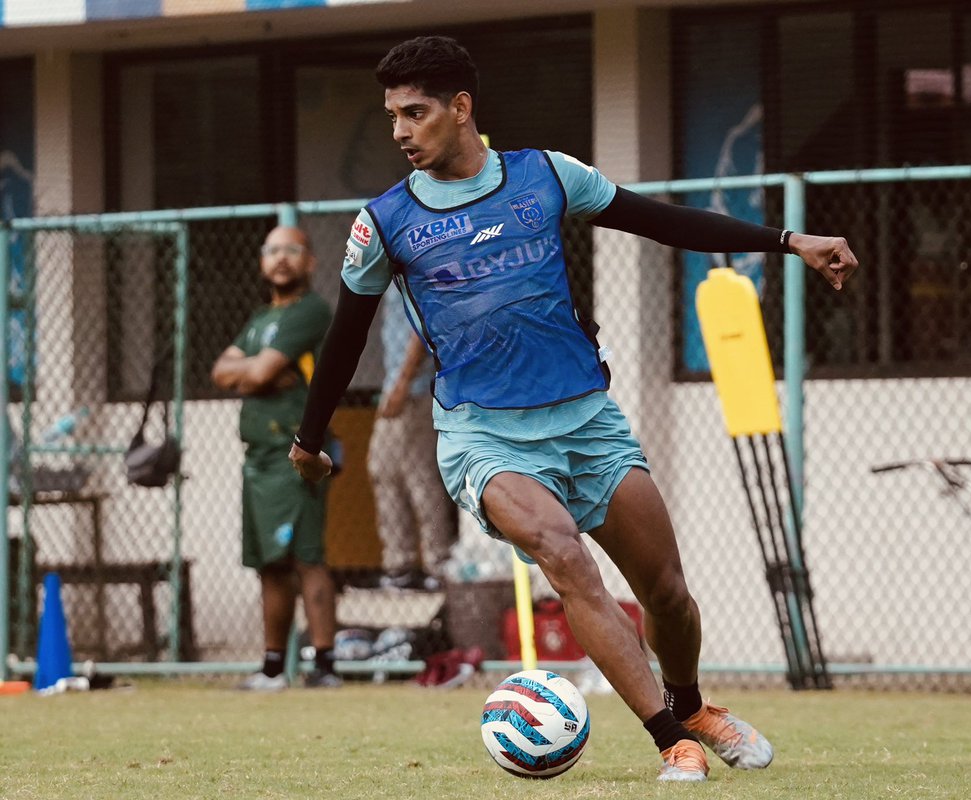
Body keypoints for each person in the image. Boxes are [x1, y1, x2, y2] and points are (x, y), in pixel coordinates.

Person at [290, 36, 857, 779]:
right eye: (392, 115)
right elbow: (346, 335)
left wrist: (788, 240)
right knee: (565, 557)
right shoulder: (385, 222)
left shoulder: (547, 176)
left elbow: (663, 221)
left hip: (587, 419)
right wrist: (311, 436)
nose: (399, 130)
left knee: (669, 595)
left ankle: (690, 704)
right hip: (482, 434)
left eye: (415, 112)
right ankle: (670, 739)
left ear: (461, 109)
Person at [212, 225, 342, 690]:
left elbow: (259, 369)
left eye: (292, 249)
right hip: (258, 457)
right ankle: (272, 668)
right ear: (262, 261)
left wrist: (253, 373)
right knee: (270, 563)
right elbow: (220, 371)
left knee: (306, 556)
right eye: (272, 250)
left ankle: (324, 665)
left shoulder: (311, 311)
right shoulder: (260, 318)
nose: (281, 258)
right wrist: (254, 375)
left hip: (296, 452)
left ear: (310, 261)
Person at [369, 295, 456, 591]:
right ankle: (402, 565)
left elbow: (423, 328)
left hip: (413, 388)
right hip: (399, 385)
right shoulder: (391, 270)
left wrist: (403, 383)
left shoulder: (410, 260)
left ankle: (434, 562)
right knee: (386, 471)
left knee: (418, 475)